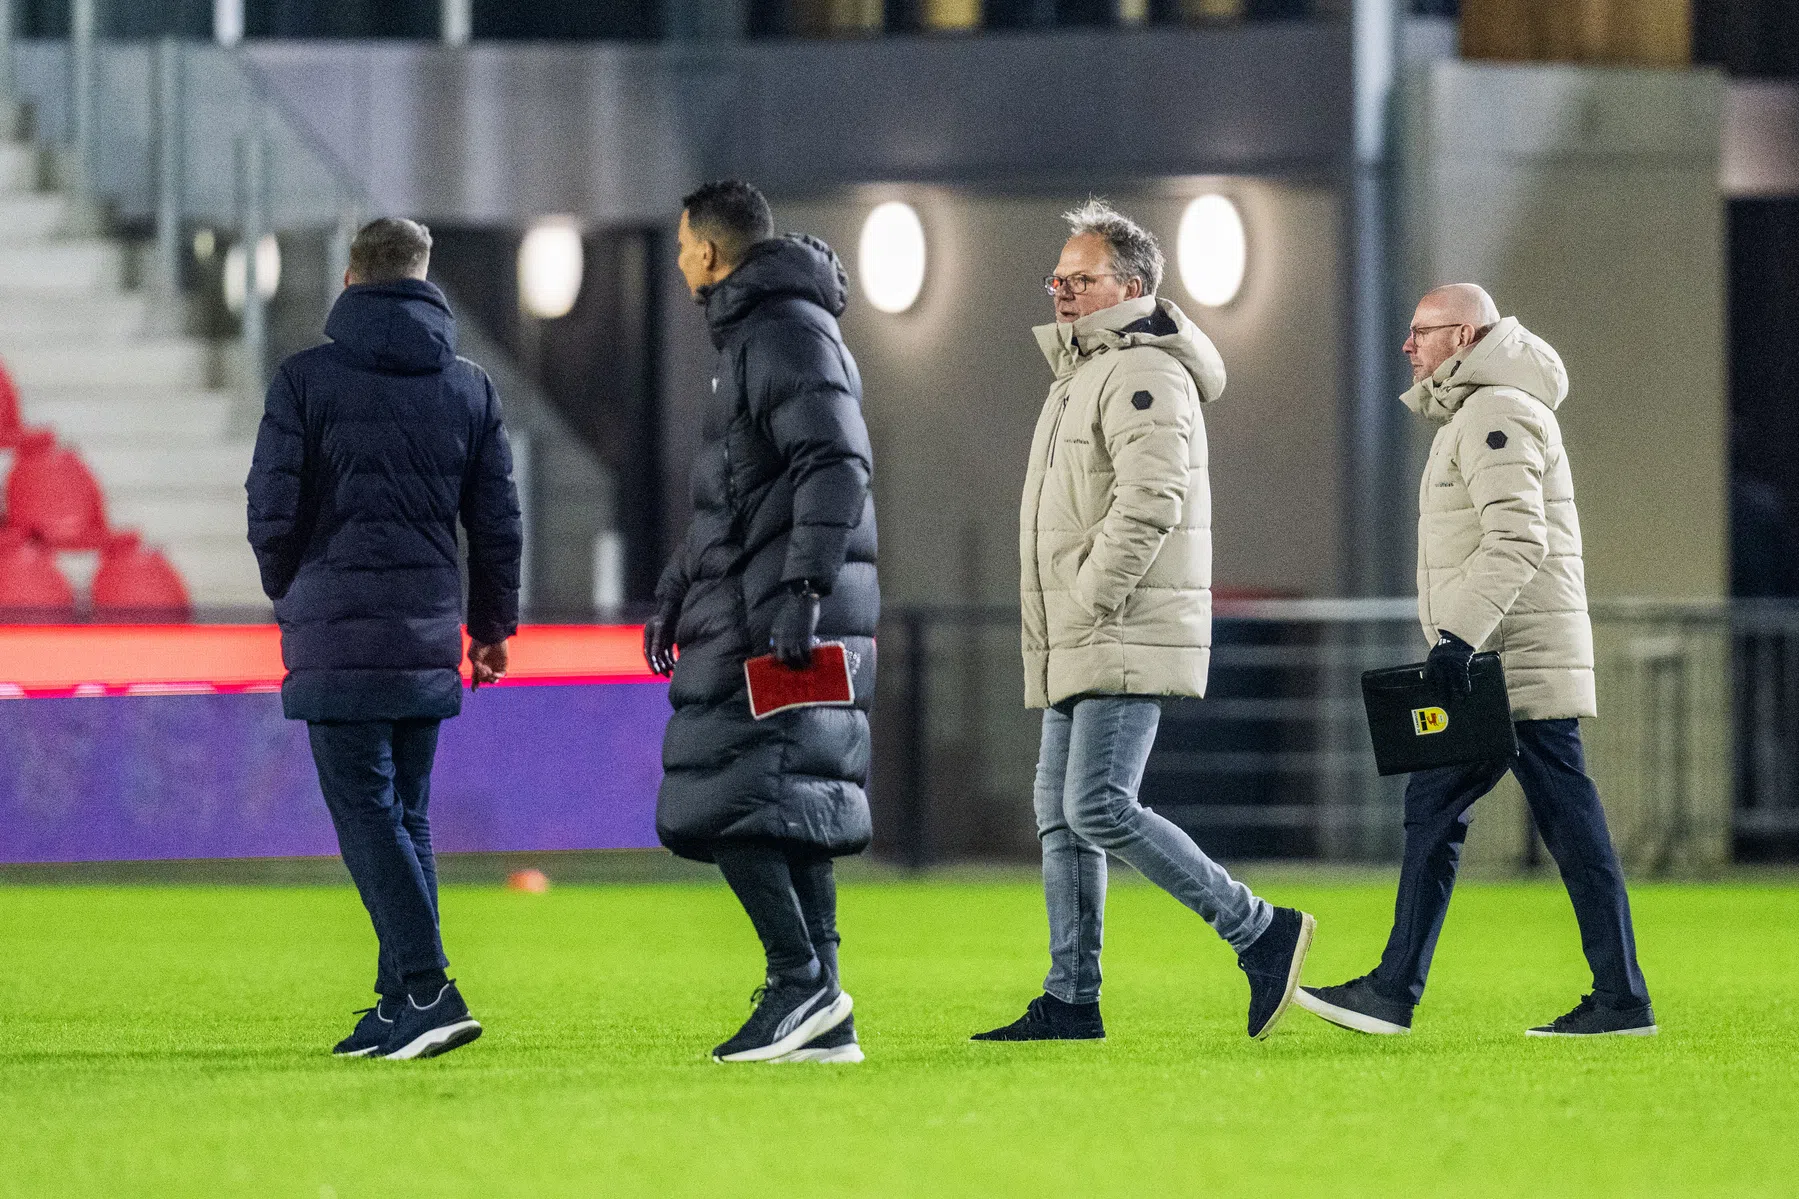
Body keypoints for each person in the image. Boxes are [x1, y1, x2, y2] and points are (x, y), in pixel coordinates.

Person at [973, 200, 1314, 1044]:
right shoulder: (1087, 371)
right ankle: (1071, 998)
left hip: (1115, 625)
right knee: (1061, 812)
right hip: (1083, 630)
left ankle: (1259, 930)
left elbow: (1151, 498)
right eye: (1057, 278)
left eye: (1079, 278)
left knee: (1094, 804)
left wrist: (1090, 594)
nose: (1061, 291)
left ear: (1129, 288)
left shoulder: (1141, 371)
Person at [1296, 283, 1655, 1038]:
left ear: (1462, 336)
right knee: (1486, 813)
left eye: (1420, 330)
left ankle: (1399, 990)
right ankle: (1610, 996)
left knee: (1495, 815)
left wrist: (1456, 638)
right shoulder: (1487, 409)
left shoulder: (1494, 413)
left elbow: (1517, 537)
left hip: (1504, 662)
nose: (1408, 345)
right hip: (1502, 658)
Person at [246, 217, 521, 1060]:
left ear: (349, 277)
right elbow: (497, 522)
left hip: (337, 632)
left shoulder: (305, 381)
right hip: (427, 631)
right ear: (424, 278)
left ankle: (430, 989)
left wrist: (290, 586)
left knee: (368, 814)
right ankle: (399, 1000)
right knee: (407, 815)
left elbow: (270, 507)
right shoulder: (470, 388)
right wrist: (491, 626)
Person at [644, 180, 877, 1064]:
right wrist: (675, 587)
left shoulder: (780, 332)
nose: (678, 262)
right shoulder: (762, 333)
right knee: (791, 806)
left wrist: (805, 588)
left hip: (772, 611)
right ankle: (824, 1011)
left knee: (728, 798)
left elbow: (834, 462)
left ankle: (798, 980)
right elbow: (737, 495)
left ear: (709, 252)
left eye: (681, 247)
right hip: (756, 600)